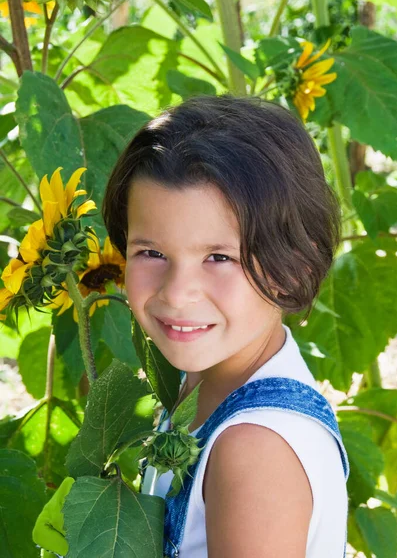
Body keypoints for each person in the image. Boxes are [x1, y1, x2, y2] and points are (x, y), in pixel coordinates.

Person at [102, 94, 350, 558]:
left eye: (219, 258)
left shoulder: (255, 451)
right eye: (151, 253)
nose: (177, 293)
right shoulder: (209, 380)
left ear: (293, 265)